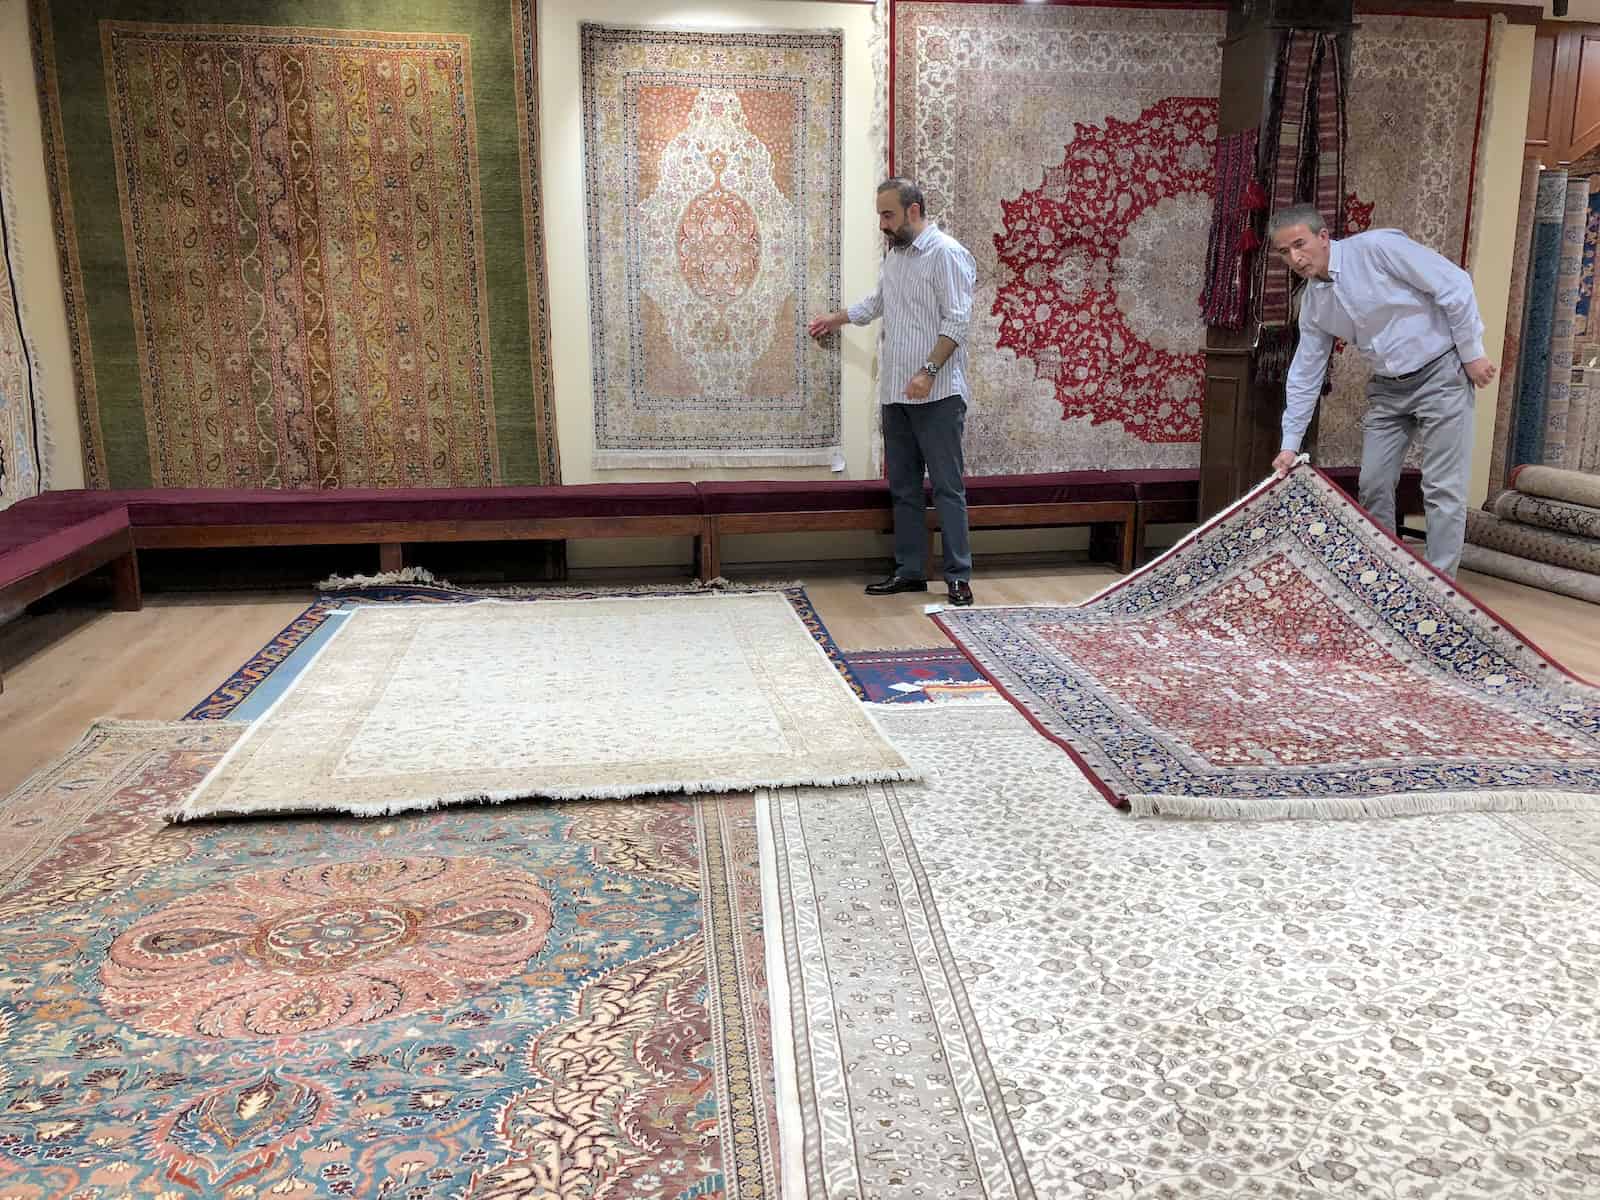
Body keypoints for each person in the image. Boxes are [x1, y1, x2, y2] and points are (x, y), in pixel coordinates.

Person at [1267, 204, 1496, 576]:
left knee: (1441, 488)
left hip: (1441, 374)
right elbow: (1306, 370)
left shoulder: (1377, 249)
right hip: (1388, 390)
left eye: (1300, 244)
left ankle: (1441, 588)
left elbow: (1454, 284)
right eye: (1284, 252)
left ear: (1323, 237)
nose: (1295, 257)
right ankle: (1388, 577)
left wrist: (1472, 353)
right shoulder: (1313, 304)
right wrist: (1290, 443)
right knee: (1372, 483)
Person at [808, 178, 978, 606]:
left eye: (888, 215)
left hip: (937, 395)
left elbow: (957, 322)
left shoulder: (947, 254)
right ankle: (910, 572)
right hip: (895, 395)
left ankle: (958, 576)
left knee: (946, 487)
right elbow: (876, 303)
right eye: (880, 215)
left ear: (914, 210)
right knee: (902, 488)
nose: (882, 224)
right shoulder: (896, 257)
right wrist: (836, 318)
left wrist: (929, 370)